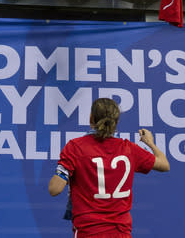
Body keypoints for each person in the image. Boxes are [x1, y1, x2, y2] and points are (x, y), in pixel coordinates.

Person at [48, 97, 169, 237]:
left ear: (90, 118)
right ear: (116, 122)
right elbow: (164, 165)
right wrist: (150, 143)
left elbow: (54, 189)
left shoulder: (75, 147)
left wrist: (68, 174)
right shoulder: (129, 149)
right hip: (121, 232)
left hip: (89, 231)